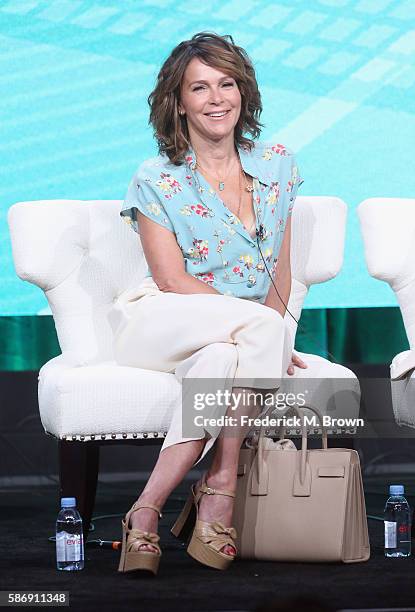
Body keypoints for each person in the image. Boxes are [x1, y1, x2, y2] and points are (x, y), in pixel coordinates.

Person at [112, 31, 307, 576]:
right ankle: (220, 487)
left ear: (244, 92)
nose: (217, 98)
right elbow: (171, 280)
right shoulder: (156, 178)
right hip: (162, 323)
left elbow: (281, 271)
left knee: (224, 362)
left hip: (230, 341)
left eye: (227, 84)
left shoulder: (278, 165)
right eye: (200, 87)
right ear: (178, 101)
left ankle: (144, 513)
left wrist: (257, 336)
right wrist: (268, 334)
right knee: (259, 332)